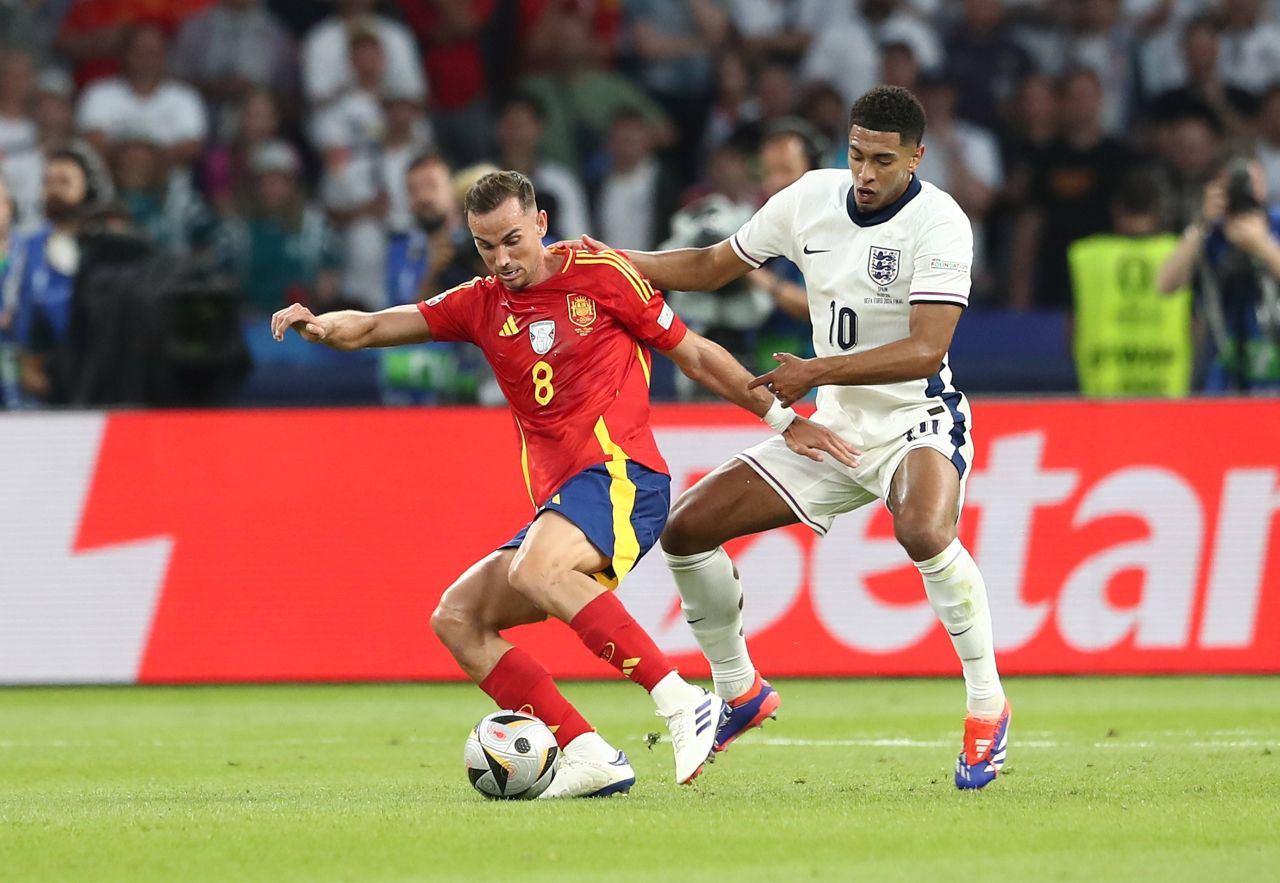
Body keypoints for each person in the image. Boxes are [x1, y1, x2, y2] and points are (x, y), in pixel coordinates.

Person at [270, 170, 857, 798]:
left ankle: (683, 701)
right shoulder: (480, 304)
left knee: (535, 569)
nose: (502, 260)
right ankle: (588, 753)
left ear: (541, 223)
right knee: (458, 618)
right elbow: (376, 325)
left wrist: (784, 420)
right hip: (564, 503)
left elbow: (693, 353)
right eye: (485, 247)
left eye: (512, 240)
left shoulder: (600, 274)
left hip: (624, 475)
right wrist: (323, 326)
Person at [574, 85, 1011, 790]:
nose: (865, 173)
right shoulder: (809, 198)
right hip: (833, 429)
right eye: (857, 154)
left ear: (916, 158)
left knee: (923, 529)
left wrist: (815, 370)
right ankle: (739, 691)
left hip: (916, 418)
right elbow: (712, 266)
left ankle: (987, 707)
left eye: (884, 161)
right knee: (686, 530)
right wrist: (612, 260)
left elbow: (927, 349)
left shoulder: (940, 223)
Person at [1157, 157, 1280, 391]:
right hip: (1222, 377)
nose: (1245, 190)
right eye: (1236, 183)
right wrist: (1201, 223)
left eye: (1251, 181)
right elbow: (1165, 284)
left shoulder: (1276, 224)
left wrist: (1263, 246)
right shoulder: (1209, 236)